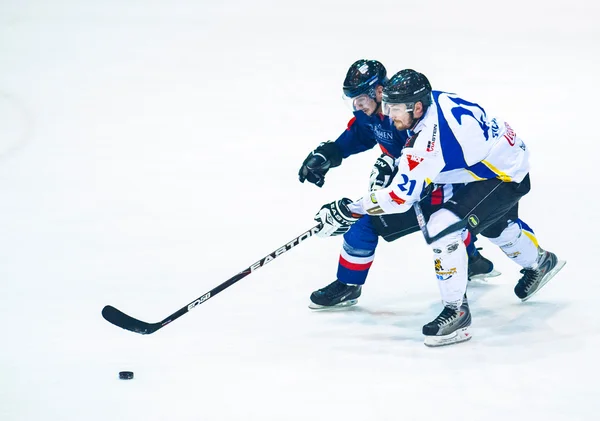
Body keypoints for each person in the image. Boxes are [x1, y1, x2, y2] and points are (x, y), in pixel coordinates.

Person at [313, 69, 566, 346]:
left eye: (395, 108)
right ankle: (541, 263)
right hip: (484, 164)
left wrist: (351, 208)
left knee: (443, 228)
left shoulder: (428, 143)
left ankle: (457, 313)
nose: (390, 114)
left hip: (503, 175)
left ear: (417, 107)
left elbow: (399, 198)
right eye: (389, 106)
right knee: (495, 226)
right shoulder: (433, 102)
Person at [298, 60, 499, 310]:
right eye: (352, 98)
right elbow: (360, 134)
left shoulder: (412, 119)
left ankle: (467, 274)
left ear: (379, 91)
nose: (356, 105)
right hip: (415, 179)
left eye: (360, 97)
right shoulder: (370, 114)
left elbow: (423, 156)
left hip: (436, 181)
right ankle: (473, 260)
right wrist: (330, 153)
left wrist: (390, 168)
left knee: (429, 225)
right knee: (371, 221)